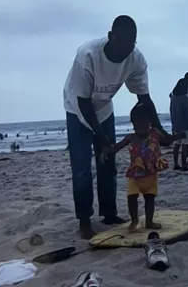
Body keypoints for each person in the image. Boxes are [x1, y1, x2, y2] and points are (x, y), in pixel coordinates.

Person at [63, 15, 164, 239]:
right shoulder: (87, 56)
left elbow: (144, 98)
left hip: (104, 110)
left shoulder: (135, 59)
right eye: (122, 42)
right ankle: (84, 220)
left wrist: (160, 130)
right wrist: (100, 136)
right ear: (110, 37)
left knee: (108, 163)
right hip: (77, 110)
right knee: (81, 169)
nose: (126, 49)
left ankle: (109, 214)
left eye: (132, 44)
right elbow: (83, 102)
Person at [103, 104, 188, 231]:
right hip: (135, 175)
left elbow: (167, 141)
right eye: (137, 126)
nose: (141, 129)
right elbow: (116, 148)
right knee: (131, 197)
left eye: (145, 125)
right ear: (133, 124)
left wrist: (179, 136)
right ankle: (134, 220)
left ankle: (149, 221)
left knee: (150, 199)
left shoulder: (155, 134)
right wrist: (106, 150)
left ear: (150, 123)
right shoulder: (130, 137)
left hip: (151, 175)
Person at [169, 79, 188, 171]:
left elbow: (171, 110)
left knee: (177, 144)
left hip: (175, 123)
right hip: (184, 124)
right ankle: (184, 165)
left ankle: (176, 164)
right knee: (185, 145)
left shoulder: (173, 97)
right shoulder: (185, 98)